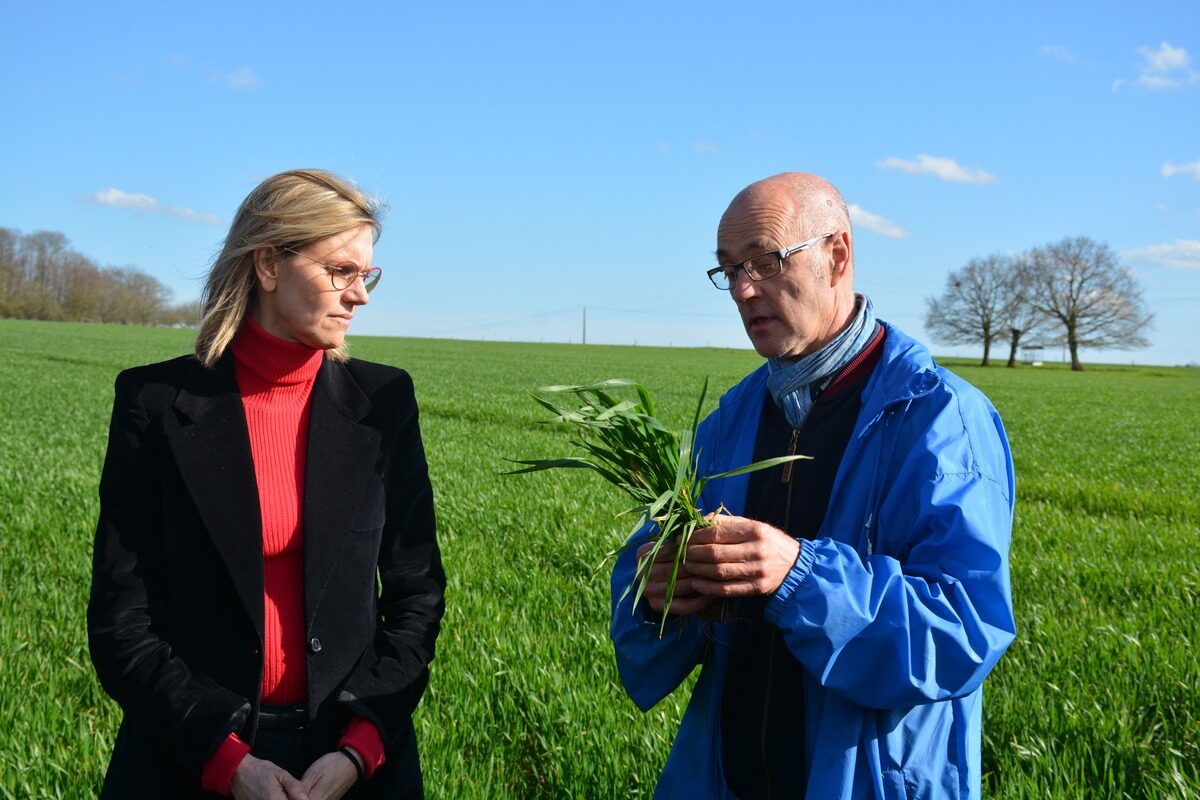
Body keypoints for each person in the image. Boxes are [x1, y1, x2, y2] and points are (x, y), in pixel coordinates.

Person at [610, 172, 1015, 799]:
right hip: (727, 779)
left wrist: (800, 575)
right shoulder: (732, 419)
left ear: (837, 254)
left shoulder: (940, 421)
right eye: (729, 271)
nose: (744, 290)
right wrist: (658, 589)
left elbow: (965, 630)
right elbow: (653, 588)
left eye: (765, 261)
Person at [88, 169, 445, 800]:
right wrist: (225, 761)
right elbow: (123, 621)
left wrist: (361, 748)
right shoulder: (156, 404)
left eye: (367, 274)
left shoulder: (385, 402)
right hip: (189, 760)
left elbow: (417, 597)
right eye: (341, 271)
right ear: (268, 265)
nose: (359, 295)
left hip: (352, 764)